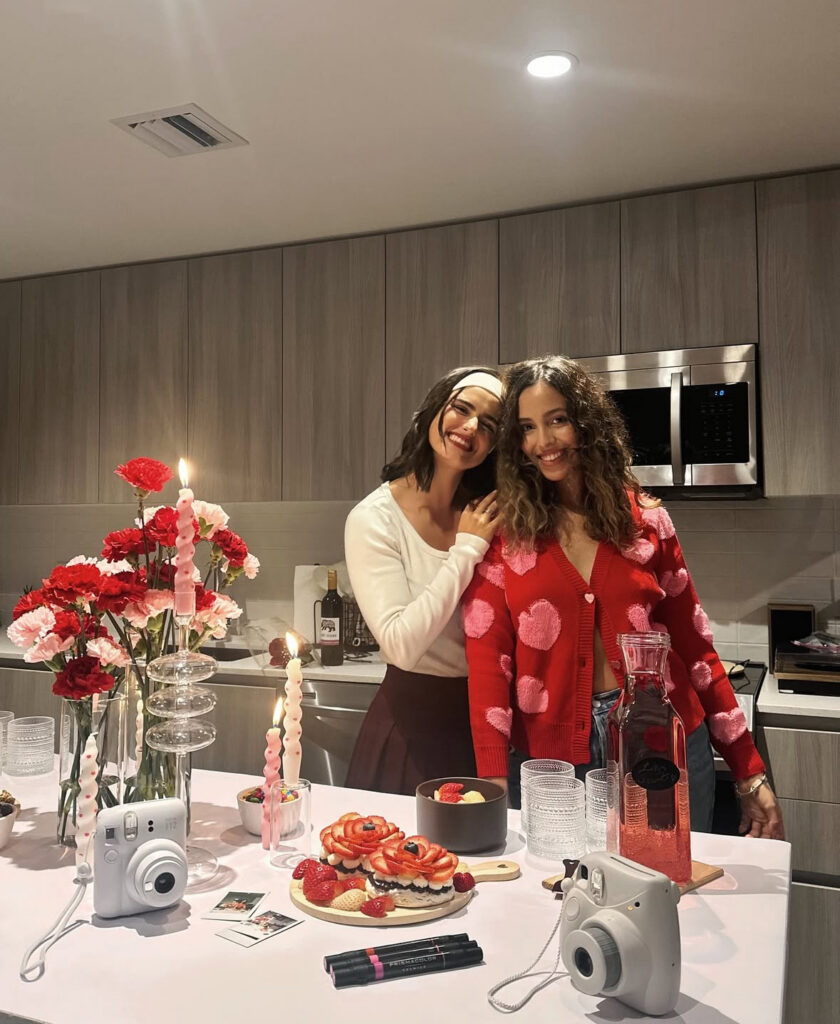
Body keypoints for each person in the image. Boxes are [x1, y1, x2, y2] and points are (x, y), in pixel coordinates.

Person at [463, 356, 784, 839]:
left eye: (558, 420)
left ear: (586, 424)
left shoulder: (648, 522)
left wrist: (747, 769)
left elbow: (697, 652)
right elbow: (489, 663)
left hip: (662, 745)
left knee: (671, 892)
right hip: (552, 764)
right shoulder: (506, 536)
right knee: (562, 899)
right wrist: (491, 783)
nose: (544, 443)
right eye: (527, 428)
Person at [344, 366, 504, 795]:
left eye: (488, 425)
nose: (470, 427)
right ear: (433, 411)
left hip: (487, 726)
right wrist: (466, 551)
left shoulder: (490, 513)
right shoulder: (374, 519)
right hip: (413, 727)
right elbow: (400, 643)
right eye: (461, 409)